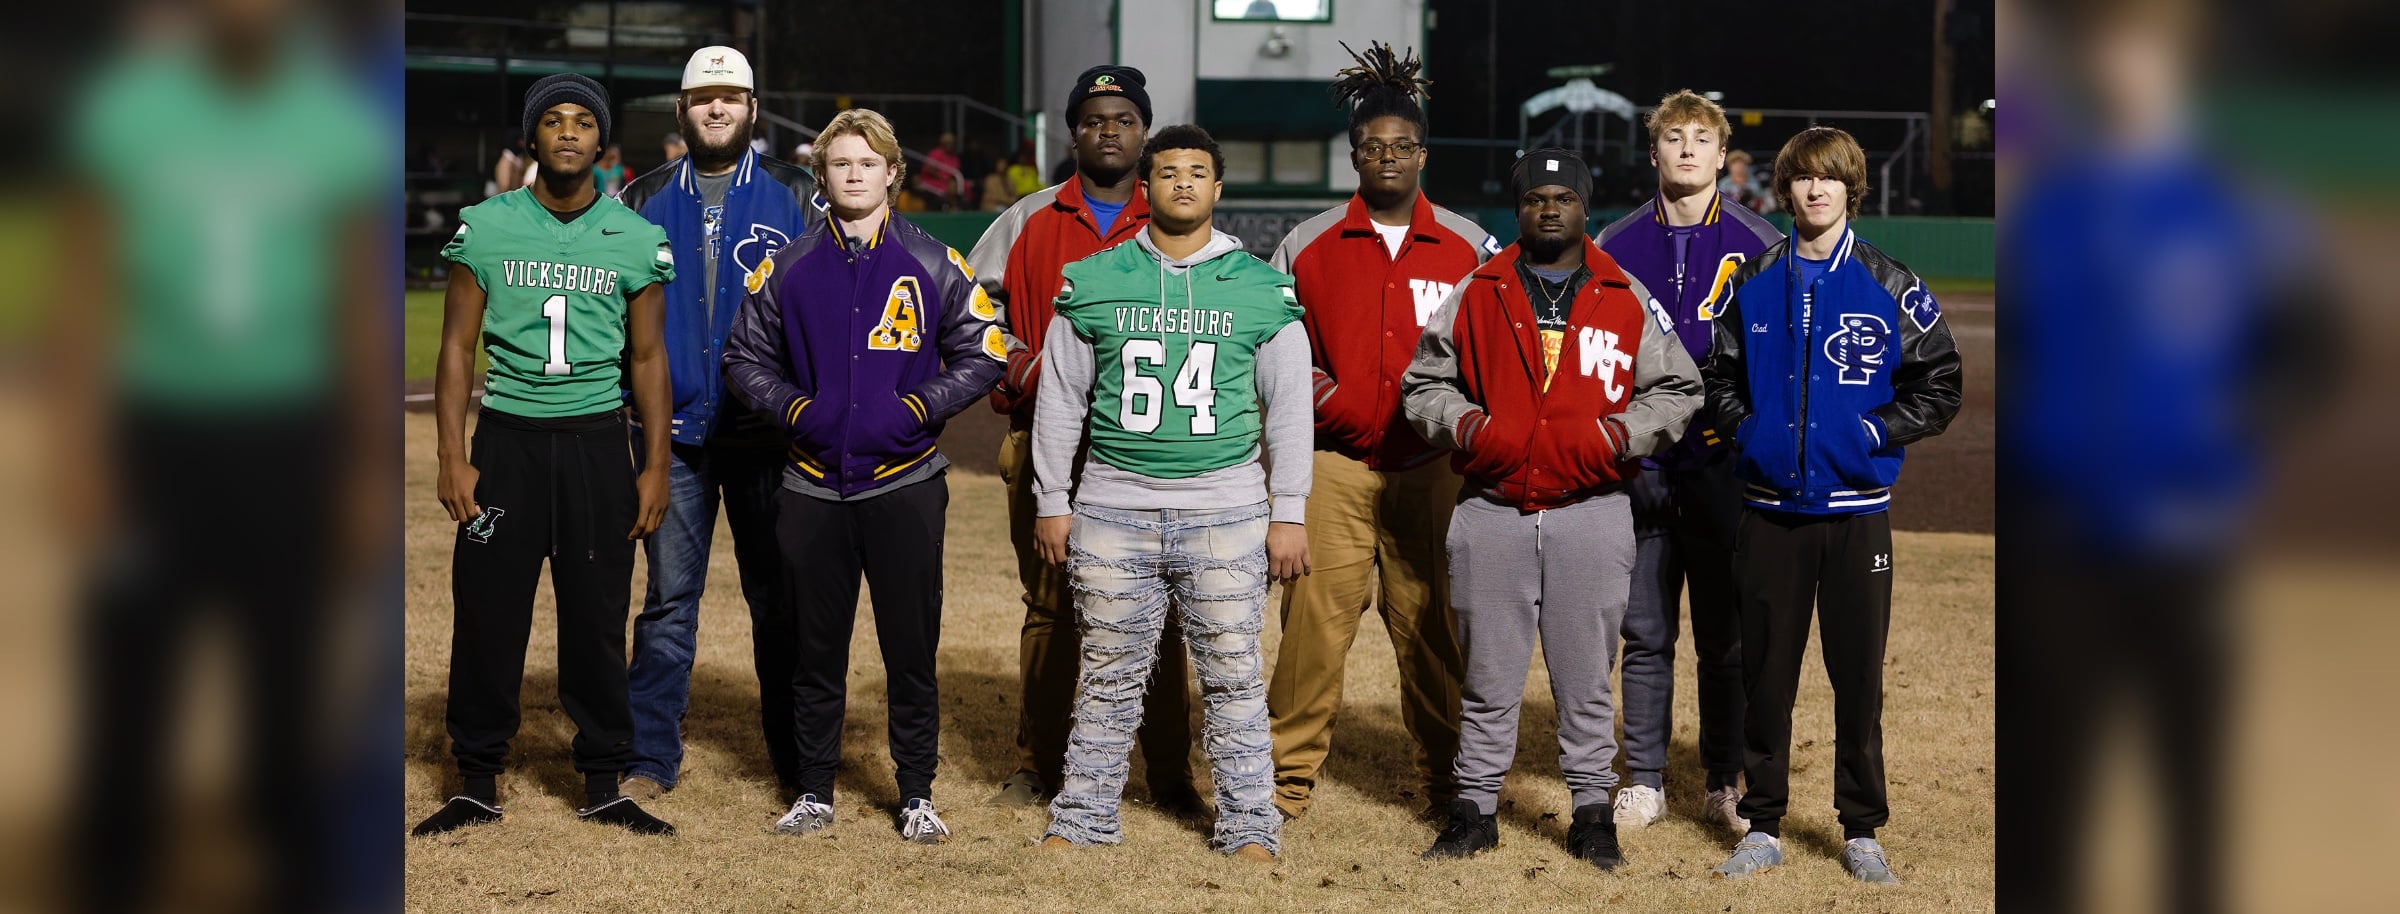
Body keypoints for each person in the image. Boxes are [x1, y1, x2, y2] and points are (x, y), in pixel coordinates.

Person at [1402, 148, 1702, 870]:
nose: (1549, 208)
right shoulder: (1478, 288)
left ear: (1584, 207)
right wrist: (1472, 428)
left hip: (1591, 508)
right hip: (1492, 507)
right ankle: (1474, 811)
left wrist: (1616, 436)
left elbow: (1679, 389)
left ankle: (1592, 815)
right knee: (1487, 678)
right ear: (1518, 208)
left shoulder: (1623, 291)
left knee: (1586, 680)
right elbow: (1423, 385)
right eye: (1536, 197)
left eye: (1563, 197)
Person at [724, 107, 1005, 845]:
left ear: (892, 173)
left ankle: (915, 793)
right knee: (813, 652)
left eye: (868, 163)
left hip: (905, 483)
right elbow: (742, 358)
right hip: (811, 485)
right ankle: (814, 789)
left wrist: (918, 406)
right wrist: (795, 409)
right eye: (840, 163)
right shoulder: (786, 266)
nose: (854, 175)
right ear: (821, 175)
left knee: (910, 650)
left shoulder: (934, 262)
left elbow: (987, 349)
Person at [1028, 124, 1308, 863]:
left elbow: (1289, 409)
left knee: (1234, 676)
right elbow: (1060, 399)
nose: (1183, 182)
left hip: (1227, 508)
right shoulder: (1095, 278)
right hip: (1113, 507)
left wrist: (1290, 511)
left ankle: (1249, 824)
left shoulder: (1262, 287)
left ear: (1218, 188)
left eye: (1197, 171)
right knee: (1107, 675)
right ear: (1145, 186)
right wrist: (1052, 498)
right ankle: (1084, 817)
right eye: (1169, 171)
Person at [412, 73, 677, 838]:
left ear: (602, 142)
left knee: (596, 616)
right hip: (508, 444)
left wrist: (655, 464)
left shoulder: (634, 237)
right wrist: (451, 454)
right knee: (488, 613)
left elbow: (648, 359)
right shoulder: (487, 226)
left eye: (583, 122)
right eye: (552, 120)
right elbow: (457, 347)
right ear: (531, 137)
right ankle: (477, 780)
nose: (567, 131)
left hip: (596, 446)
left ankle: (603, 780)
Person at [1702, 126, 1962, 884]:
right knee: (1766, 677)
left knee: (1859, 678)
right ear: (1785, 189)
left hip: (1856, 514)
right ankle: (1762, 824)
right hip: (1770, 513)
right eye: (1803, 178)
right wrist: (1750, 433)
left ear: (1852, 188)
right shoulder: (1753, 279)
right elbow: (1716, 379)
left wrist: (1873, 431)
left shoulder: (1890, 283)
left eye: (1831, 178)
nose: (1816, 190)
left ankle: (1861, 830)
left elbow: (1941, 382)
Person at [1264, 41, 1494, 823]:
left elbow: (1496, 350)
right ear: (1354, 154)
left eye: (1402, 146)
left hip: (1433, 467)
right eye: (1373, 146)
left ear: (1423, 154)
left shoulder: (1469, 246)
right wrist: (1331, 403)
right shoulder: (1308, 243)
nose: (1388, 157)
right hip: (1333, 465)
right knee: (1311, 629)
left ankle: (1451, 784)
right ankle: (1284, 783)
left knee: (1434, 627)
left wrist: (1459, 419)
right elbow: (1273, 348)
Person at [967, 65, 1200, 813]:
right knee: (1051, 606)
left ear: (1145, 133)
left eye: (1124, 119)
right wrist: (1018, 366)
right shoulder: (1030, 216)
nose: (1109, 131)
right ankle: (1038, 766)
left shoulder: (1172, 214)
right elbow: (971, 307)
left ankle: (1169, 777)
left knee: (1160, 612)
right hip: (1048, 441)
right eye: (1094, 119)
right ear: (1073, 133)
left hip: (1148, 448)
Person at [611, 45, 824, 802]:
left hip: (770, 435)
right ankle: (649, 755)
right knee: (669, 601)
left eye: (731, 96)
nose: (716, 107)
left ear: (752, 109)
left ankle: (797, 763)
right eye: (703, 96)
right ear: (682, 108)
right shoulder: (640, 197)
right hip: (672, 436)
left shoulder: (797, 191)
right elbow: (614, 310)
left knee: (778, 600)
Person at [1592, 89, 1783, 834]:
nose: (1687, 150)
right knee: (1644, 632)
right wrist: (1629, 445)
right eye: (1674, 137)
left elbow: (1771, 364)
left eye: (1702, 138)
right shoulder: (1614, 242)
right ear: (1654, 152)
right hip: (1642, 467)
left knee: (1724, 639)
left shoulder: (1758, 239)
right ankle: (1644, 779)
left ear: (1722, 153)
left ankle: (1722, 780)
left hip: (1722, 466)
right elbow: (1600, 359)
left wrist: (1738, 442)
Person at [919, 131, 963, 209]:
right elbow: (929, 169)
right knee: (947, 190)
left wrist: (951, 181)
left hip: (949, 183)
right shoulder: (936, 153)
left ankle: (958, 208)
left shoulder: (954, 157)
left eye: (952, 143)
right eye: (947, 143)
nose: (950, 145)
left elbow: (955, 173)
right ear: (942, 143)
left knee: (963, 187)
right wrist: (943, 178)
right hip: (933, 181)